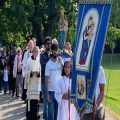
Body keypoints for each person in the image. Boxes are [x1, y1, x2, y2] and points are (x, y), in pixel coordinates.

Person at [45, 44, 63, 120]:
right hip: (51, 92)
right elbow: (46, 79)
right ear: (51, 51)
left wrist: (62, 63)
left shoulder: (60, 62)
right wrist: (47, 93)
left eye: (56, 50)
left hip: (58, 92)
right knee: (51, 113)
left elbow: (66, 73)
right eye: (53, 50)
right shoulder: (48, 64)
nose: (55, 52)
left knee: (57, 114)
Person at [25, 46, 41, 120]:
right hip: (31, 84)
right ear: (33, 52)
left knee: (36, 103)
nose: (36, 53)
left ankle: (35, 115)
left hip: (36, 84)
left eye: (37, 52)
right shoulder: (28, 60)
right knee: (30, 102)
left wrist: (38, 74)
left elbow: (40, 71)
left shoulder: (38, 61)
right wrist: (31, 73)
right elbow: (25, 72)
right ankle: (29, 116)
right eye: (35, 51)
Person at [40, 37, 52, 120]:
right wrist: (50, 61)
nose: (49, 45)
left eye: (50, 43)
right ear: (44, 45)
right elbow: (43, 65)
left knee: (51, 102)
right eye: (47, 44)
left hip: (52, 82)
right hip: (44, 82)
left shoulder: (53, 54)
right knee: (45, 103)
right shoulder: (42, 55)